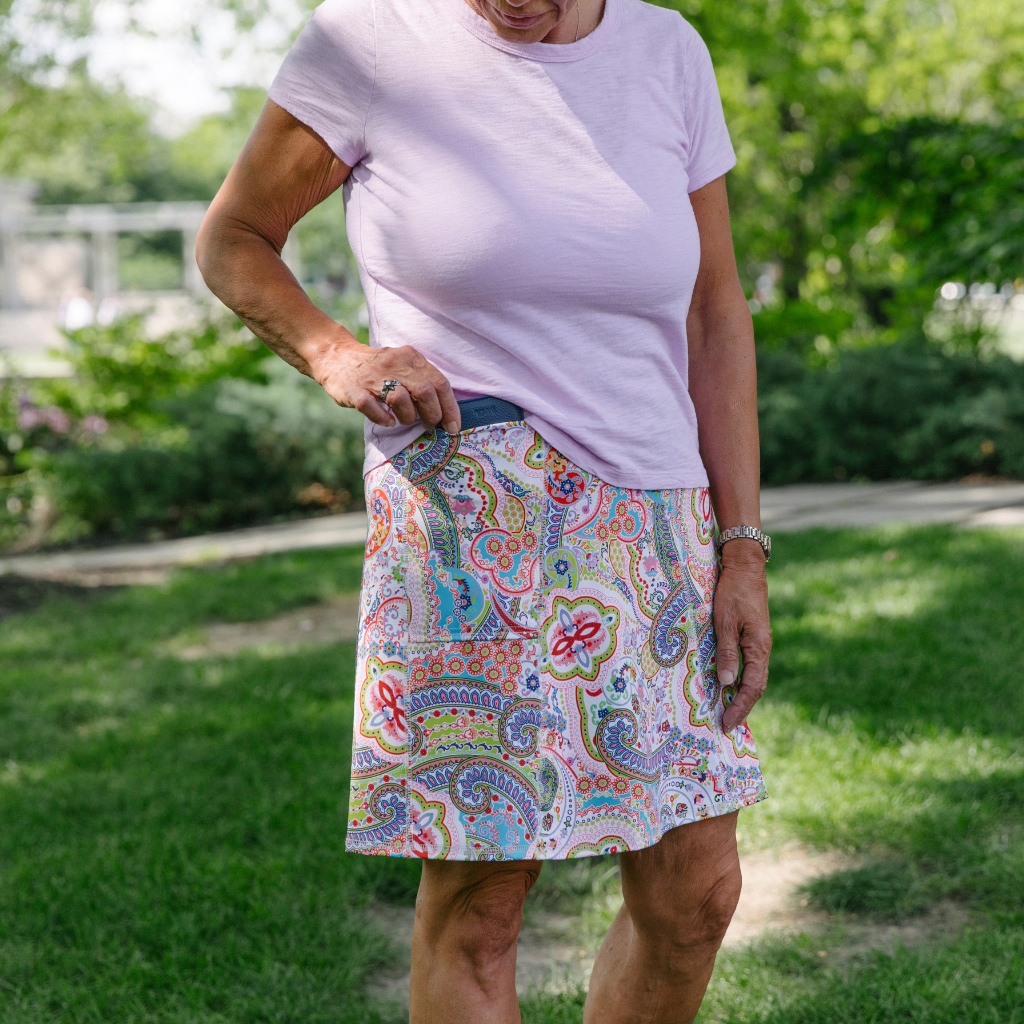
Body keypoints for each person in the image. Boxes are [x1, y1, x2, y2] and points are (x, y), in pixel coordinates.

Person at [196, 0, 773, 1019]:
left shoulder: (666, 52)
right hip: (471, 518)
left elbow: (712, 312)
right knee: (483, 905)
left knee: (695, 893)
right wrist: (339, 354)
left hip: (655, 520)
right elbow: (234, 237)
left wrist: (741, 549)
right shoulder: (369, 41)